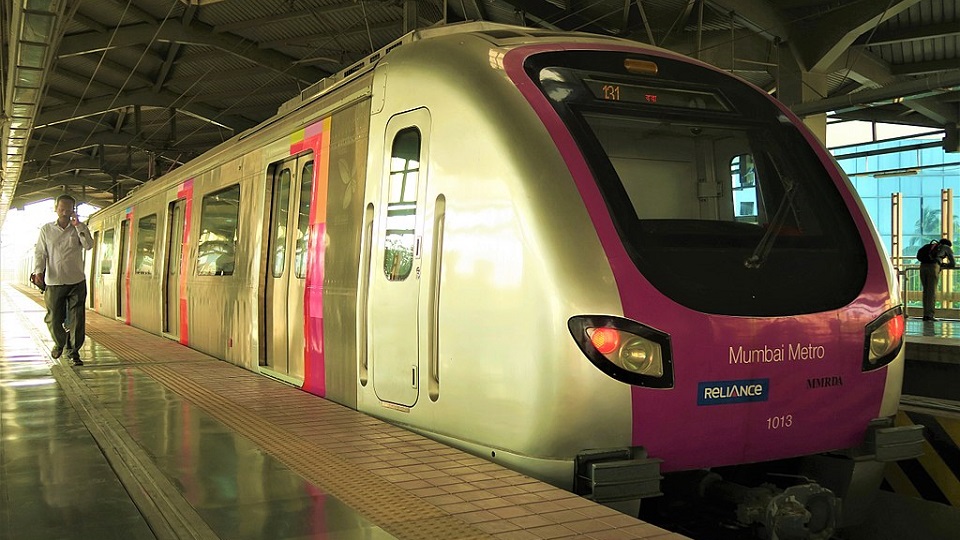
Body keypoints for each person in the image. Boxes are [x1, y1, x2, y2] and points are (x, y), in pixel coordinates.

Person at [31, 194, 93, 365]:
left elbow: (88, 245)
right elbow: (40, 253)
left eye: (68, 209)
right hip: (54, 281)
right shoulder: (46, 230)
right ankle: (60, 343)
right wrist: (38, 272)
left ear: (73, 209)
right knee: (53, 318)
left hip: (76, 280)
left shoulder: (79, 227)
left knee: (77, 318)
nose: (64, 212)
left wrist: (79, 226)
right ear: (56, 209)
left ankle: (74, 352)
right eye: (61, 209)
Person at [919, 238, 956, 321]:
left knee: (926, 291)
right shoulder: (946, 247)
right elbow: (953, 263)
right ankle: (930, 316)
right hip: (933, 267)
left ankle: (925, 315)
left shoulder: (929, 246)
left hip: (922, 267)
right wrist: (943, 265)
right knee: (931, 292)